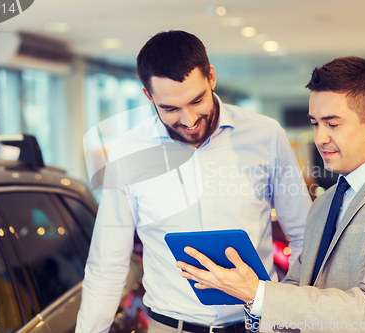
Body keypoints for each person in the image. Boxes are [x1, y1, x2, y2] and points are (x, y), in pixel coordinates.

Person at [178, 56, 365, 333]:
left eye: (332, 124)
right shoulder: (325, 202)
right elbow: (298, 286)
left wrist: (258, 294)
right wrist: (250, 296)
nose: (319, 138)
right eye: (315, 123)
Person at [76, 30, 312, 333]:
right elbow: (106, 264)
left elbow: (306, 236)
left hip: (256, 324)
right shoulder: (128, 152)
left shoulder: (266, 135)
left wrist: (286, 307)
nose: (188, 120)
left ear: (211, 77)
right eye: (170, 109)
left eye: (196, 100)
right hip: (170, 326)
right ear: (149, 96)